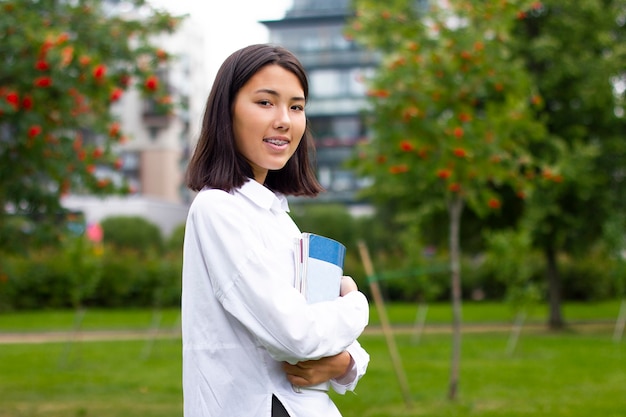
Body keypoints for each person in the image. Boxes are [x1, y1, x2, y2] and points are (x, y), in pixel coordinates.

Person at [181, 44, 370, 417]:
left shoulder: (278, 217)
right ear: (227, 112)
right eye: (265, 102)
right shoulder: (218, 210)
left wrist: (346, 361)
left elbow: (319, 329)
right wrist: (357, 305)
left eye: (296, 107)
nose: (284, 119)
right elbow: (296, 334)